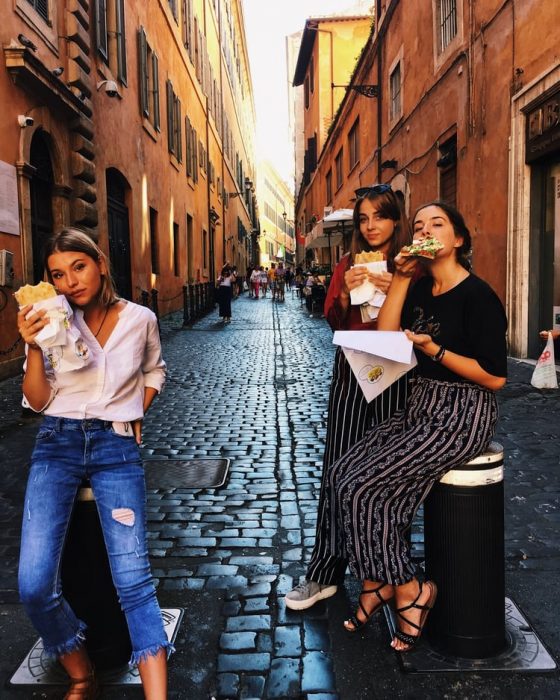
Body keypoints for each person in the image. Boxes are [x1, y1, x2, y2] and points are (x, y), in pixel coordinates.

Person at [323, 201, 507, 652]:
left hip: (462, 412)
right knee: (343, 475)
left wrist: (436, 351)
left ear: (458, 239)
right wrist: (402, 279)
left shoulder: (478, 295)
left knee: (367, 486)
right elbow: (386, 341)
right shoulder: (421, 289)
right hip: (420, 405)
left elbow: (496, 377)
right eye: (419, 225)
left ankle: (407, 587)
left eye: (437, 224)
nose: (425, 230)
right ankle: (379, 579)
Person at [16, 228, 171, 699]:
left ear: (100, 263)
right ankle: (81, 670)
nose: (70, 282)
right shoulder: (49, 319)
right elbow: (36, 401)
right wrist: (36, 347)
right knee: (33, 583)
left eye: (78, 267)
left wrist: (137, 408)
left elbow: (155, 369)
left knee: (132, 578)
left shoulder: (140, 318)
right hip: (56, 443)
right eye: (57, 274)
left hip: (115, 448)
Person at [285, 184, 411, 611]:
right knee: (338, 466)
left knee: (391, 474)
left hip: (401, 375)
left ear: (396, 219)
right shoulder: (346, 263)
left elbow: (428, 320)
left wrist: (397, 286)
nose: (371, 225)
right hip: (354, 370)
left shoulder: (414, 265)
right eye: (364, 218)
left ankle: (392, 574)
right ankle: (325, 573)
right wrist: (342, 292)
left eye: (380, 216)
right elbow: (334, 318)